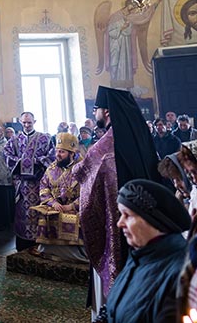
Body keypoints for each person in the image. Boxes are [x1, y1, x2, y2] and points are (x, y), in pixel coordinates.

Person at [73, 86, 159, 319]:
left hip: (117, 228)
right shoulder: (140, 135)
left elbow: (83, 182)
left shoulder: (103, 146)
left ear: (107, 112)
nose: (94, 114)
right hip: (146, 228)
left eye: (96, 109)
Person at [104, 179, 190, 322]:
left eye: (128, 215)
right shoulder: (140, 255)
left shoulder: (181, 274)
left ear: (153, 220)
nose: (120, 223)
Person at [5, 111, 54, 251]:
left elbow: (51, 155)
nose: (26, 125)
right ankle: (23, 245)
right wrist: (22, 162)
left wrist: (37, 162)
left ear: (35, 122)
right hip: (22, 186)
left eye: (29, 122)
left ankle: (40, 243)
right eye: (24, 122)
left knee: (39, 212)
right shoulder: (14, 140)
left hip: (39, 184)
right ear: (20, 122)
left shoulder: (44, 138)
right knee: (22, 212)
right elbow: (7, 155)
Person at [34, 133, 87, 263]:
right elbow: (43, 186)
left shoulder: (83, 168)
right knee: (44, 215)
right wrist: (52, 203)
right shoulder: (52, 168)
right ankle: (49, 250)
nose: (57, 154)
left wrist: (72, 206)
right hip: (55, 206)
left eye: (62, 152)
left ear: (71, 153)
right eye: (57, 151)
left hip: (77, 207)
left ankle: (77, 255)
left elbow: (89, 191)